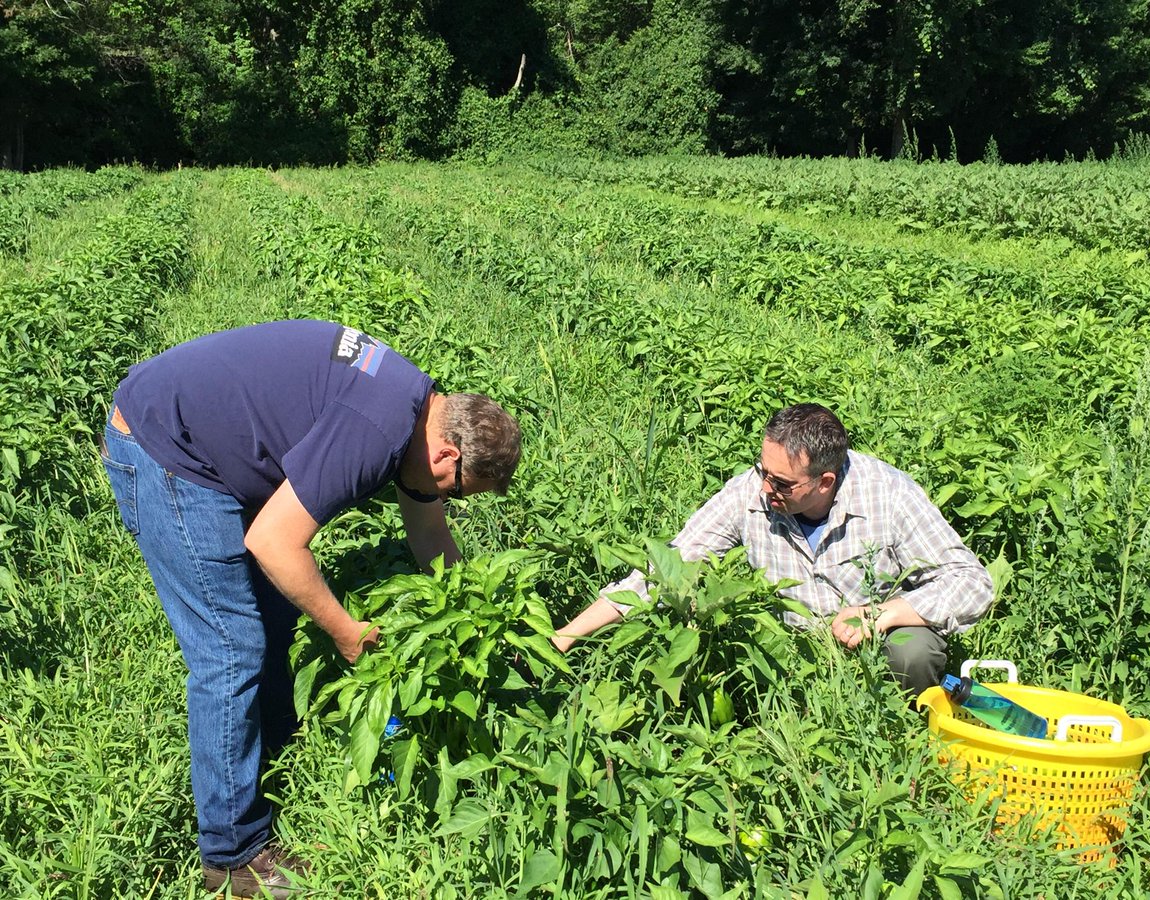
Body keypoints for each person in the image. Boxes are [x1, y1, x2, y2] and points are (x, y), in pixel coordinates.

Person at [99, 320, 521, 897]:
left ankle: (267, 757)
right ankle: (233, 857)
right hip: (168, 448)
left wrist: (476, 614)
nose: (445, 499)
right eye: (453, 489)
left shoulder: (419, 410)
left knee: (274, 617)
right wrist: (346, 631)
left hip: (202, 433)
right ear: (447, 452)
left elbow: (428, 533)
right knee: (231, 650)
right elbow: (275, 541)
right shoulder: (377, 429)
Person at [552, 403, 992, 697]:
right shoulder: (752, 490)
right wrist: (566, 636)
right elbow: (667, 568)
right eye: (763, 470)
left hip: (871, 646)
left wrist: (883, 613)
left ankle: (903, 730)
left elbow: (971, 583)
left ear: (825, 482)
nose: (765, 488)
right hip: (791, 657)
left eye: (781, 482)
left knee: (911, 650)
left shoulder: (889, 495)